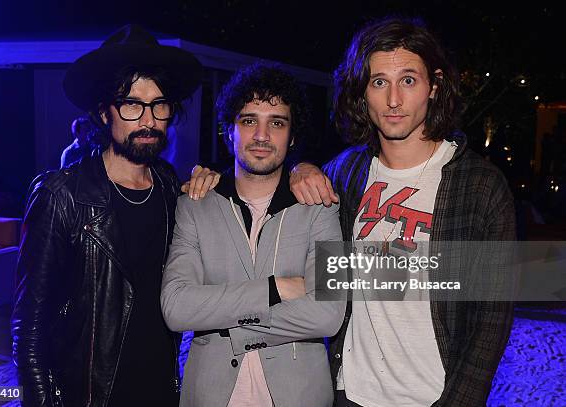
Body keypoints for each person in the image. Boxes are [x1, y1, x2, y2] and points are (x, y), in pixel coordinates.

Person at [288, 17, 516, 407]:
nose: (393, 100)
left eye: (408, 80)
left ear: (434, 86)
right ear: (362, 93)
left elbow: (492, 321)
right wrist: (299, 168)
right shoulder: (346, 173)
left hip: (433, 396)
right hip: (350, 391)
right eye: (379, 82)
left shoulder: (479, 186)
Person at [11, 24, 216, 406]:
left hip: (160, 390)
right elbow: (30, 331)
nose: (148, 120)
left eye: (159, 105)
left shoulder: (172, 186)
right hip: (91, 395)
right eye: (131, 105)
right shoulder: (62, 195)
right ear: (105, 113)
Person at [161, 63, 345, 407]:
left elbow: (328, 315)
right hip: (211, 395)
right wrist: (277, 288)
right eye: (248, 121)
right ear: (228, 130)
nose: (261, 135)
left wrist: (229, 324)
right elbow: (176, 307)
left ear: (292, 137)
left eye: (276, 122)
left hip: (298, 396)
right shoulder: (195, 205)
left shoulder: (321, 205)